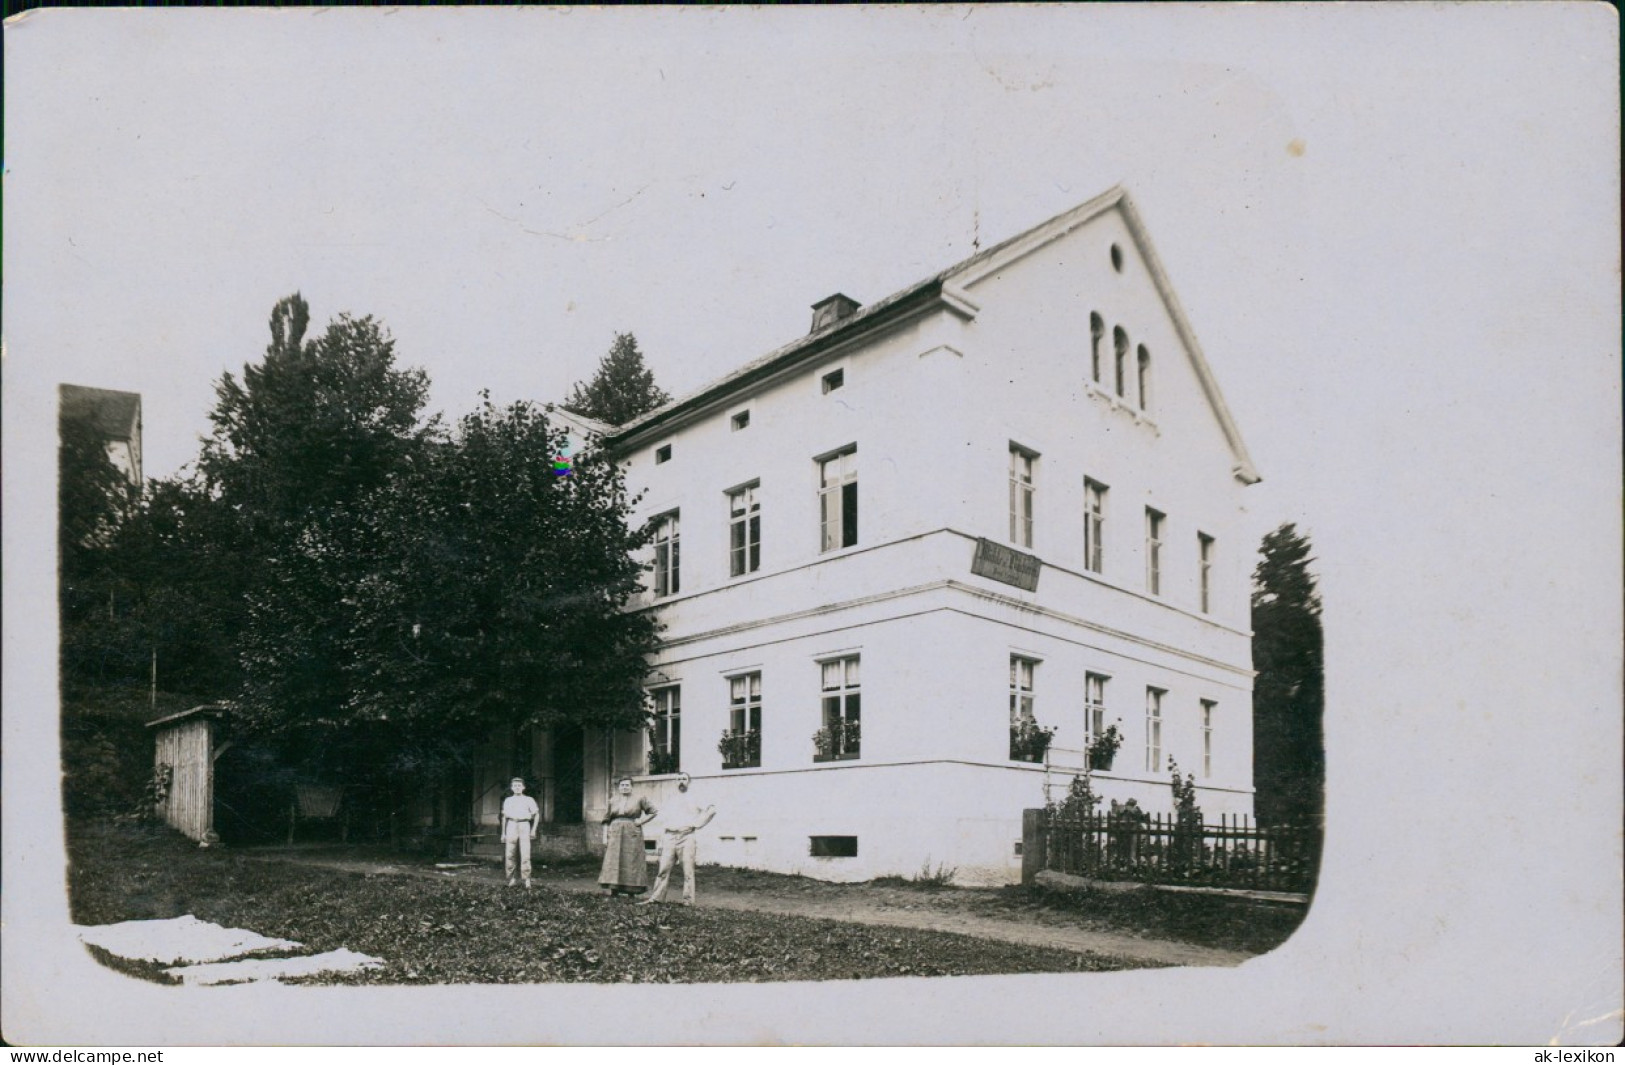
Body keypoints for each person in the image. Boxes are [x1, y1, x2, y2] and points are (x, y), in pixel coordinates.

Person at [638, 773, 716, 906]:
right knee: (663, 869)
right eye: (679, 779)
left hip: (687, 837)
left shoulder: (695, 797)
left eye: (684, 779)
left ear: (689, 782)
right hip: (669, 836)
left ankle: (688, 901)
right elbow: (665, 818)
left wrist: (696, 824)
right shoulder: (670, 797)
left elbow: (712, 810)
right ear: (675, 782)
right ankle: (656, 898)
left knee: (688, 870)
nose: (681, 782)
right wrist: (663, 837)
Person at [598, 777, 657, 897]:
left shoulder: (640, 798)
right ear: (619, 788)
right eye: (622, 785)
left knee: (631, 860)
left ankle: (632, 891)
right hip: (615, 833)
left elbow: (653, 812)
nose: (624, 787)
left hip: (632, 832)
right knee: (614, 860)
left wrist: (640, 821)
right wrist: (605, 836)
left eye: (627, 785)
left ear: (631, 787)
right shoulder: (613, 800)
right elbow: (606, 819)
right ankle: (614, 890)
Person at [501, 777, 540, 889]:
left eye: (519, 786)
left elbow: (536, 814)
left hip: (524, 825)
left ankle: (526, 879)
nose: (517, 788)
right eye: (515, 786)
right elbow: (504, 817)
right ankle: (512, 878)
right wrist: (503, 833)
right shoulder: (508, 800)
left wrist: (533, 829)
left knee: (525, 853)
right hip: (511, 825)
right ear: (512, 788)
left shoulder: (529, 799)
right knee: (510, 853)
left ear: (523, 787)